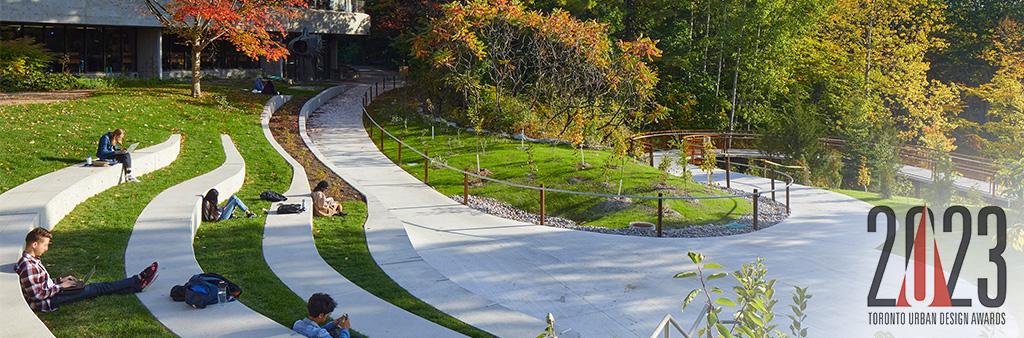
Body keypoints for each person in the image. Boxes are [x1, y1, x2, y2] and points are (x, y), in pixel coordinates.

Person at [14, 227, 159, 312]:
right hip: (50, 301)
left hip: (53, 294)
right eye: (44, 245)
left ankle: (136, 283)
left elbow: (41, 283)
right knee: (96, 289)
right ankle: (137, 282)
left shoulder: (29, 261)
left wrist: (60, 280)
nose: (46, 249)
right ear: (34, 244)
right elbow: (37, 295)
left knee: (96, 288)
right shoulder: (29, 266)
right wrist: (61, 287)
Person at [293, 293, 361, 338]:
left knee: (333, 331)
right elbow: (318, 332)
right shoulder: (321, 334)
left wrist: (333, 324)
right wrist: (345, 329)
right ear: (321, 315)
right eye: (327, 314)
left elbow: (313, 330)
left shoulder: (297, 324)